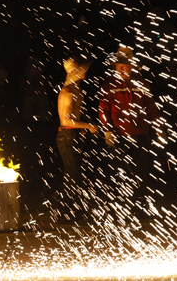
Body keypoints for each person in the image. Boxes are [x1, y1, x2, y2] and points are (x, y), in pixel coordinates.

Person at [98, 46, 166, 216]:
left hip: (141, 136)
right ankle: (120, 208)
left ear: (132, 66)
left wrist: (159, 128)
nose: (121, 68)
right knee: (120, 172)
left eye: (125, 65)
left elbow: (151, 109)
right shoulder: (109, 85)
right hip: (119, 137)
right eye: (119, 64)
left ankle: (139, 207)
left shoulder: (142, 84)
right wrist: (108, 131)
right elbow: (103, 110)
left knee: (141, 172)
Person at [55, 57, 97, 218]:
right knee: (72, 175)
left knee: (75, 174)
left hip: (71, 135)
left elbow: (73, 117)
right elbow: (65, 121)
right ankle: (65, 211)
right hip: (66, 136)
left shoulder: (75, 90)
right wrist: (87, 125)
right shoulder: (67, 93)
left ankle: (73, 209)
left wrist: (82, 126)